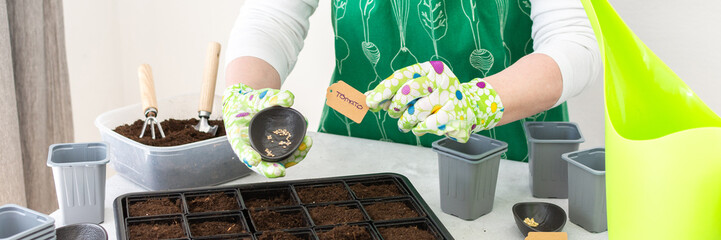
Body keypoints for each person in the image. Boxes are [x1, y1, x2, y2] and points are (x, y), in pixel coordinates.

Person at [222, 0, 602, 178]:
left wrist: (477, 101)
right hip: (358, 144)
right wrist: (245, 95)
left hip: (500, 160)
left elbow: (574, 40)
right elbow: (271, 16)